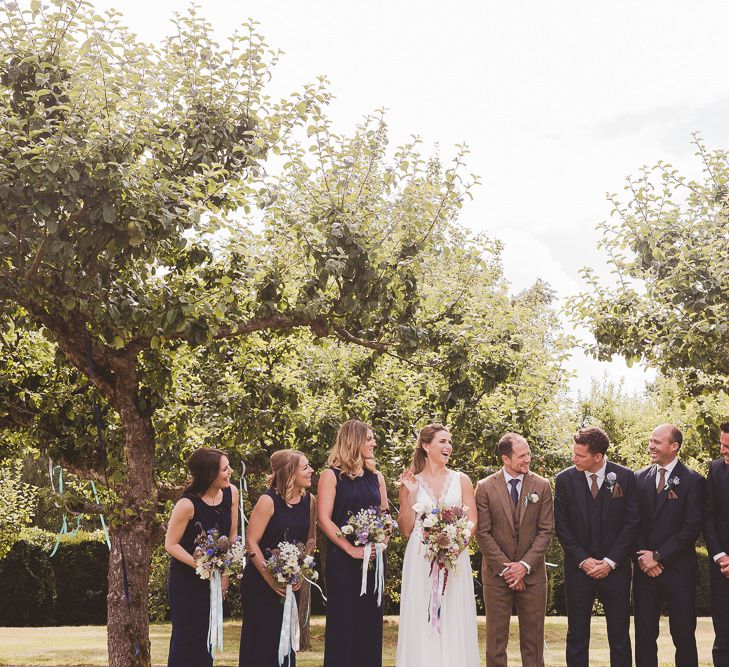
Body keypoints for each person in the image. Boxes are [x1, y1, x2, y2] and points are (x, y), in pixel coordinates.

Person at [396, 424, 480, 667]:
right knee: (421, 614)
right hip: (421, 557)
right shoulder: (410, 481)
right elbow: (405, 528)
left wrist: (458, 543)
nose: (448, 447)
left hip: (454, 558)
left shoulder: (461, 479)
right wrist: (411, 494)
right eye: (442, 441)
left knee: (454, 613)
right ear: (425, 445)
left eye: (449, 442)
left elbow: (472, 519)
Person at [554, 426, 638, 667]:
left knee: (620, 635)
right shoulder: (564, 479)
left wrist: (610, 562)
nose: (574, 459)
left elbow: (631, 524)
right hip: (579, 570)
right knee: (577, 634)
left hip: (616, 570)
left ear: (598, 456)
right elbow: (562, 526)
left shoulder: (625, 477)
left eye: (579, 455)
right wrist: (583, 560)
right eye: (574, 453)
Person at [475, 432, 554, 667]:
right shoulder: (485, 487)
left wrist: (524, 566)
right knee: (496, 644)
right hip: (497, 577)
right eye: (522, 455)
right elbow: (483, 533)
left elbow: (545, 530)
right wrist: (508, 570)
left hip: (533, 576)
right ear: (505, 459)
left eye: (529, 453)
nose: (528, 459)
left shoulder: (542, 485)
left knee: (533, 644)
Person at [318, 420, 390, 667]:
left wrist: (384, 540)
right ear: (354, 440)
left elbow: (384, 514)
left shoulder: (376, 476)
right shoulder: (331, 475)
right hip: (343, 561)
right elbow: (324, 519)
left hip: (374, 561)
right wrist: (350, 549)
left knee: (371, 625)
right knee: (343, 624)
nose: (373, 443)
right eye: (369, 438)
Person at [634, 424, 704, 667]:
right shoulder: (639, 478)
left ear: (674, 447)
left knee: (683, 636)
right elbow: (633, 523)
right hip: (645, 572)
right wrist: (644, 558)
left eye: (657, 442)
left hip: (679, 572)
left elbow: (691, 528)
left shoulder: (693, 481)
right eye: (651, 441)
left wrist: (659, 555)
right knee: (644, 637)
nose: (651, 446)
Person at [239, 450, 315, 667]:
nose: (311, 471)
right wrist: (270, 578)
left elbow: (310, 541)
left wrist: (299, 570)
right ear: (290, 472)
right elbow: (251, 542)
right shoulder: (267, 501)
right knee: (261, 644)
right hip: (261, 583)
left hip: (292, 583)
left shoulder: (310, 501)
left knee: (286, 642)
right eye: (305, 467)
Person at [165, 448, 239, 667]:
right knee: (186, 635)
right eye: (225, 469)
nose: (230, 472)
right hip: (186, 581)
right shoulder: (186, 504)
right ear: (209, 474)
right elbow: (171, 544)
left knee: (208, 633)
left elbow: (232, 536)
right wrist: (202, 566)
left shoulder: (231, 493)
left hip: (215, 578)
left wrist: (224, 574)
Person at [704, 421, 729, 667]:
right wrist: (720, 556)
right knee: (723, 630)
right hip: (722, 566)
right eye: (722, 444)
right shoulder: (716, 469)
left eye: (728, 446)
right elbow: (708, 515)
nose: (723, 451)